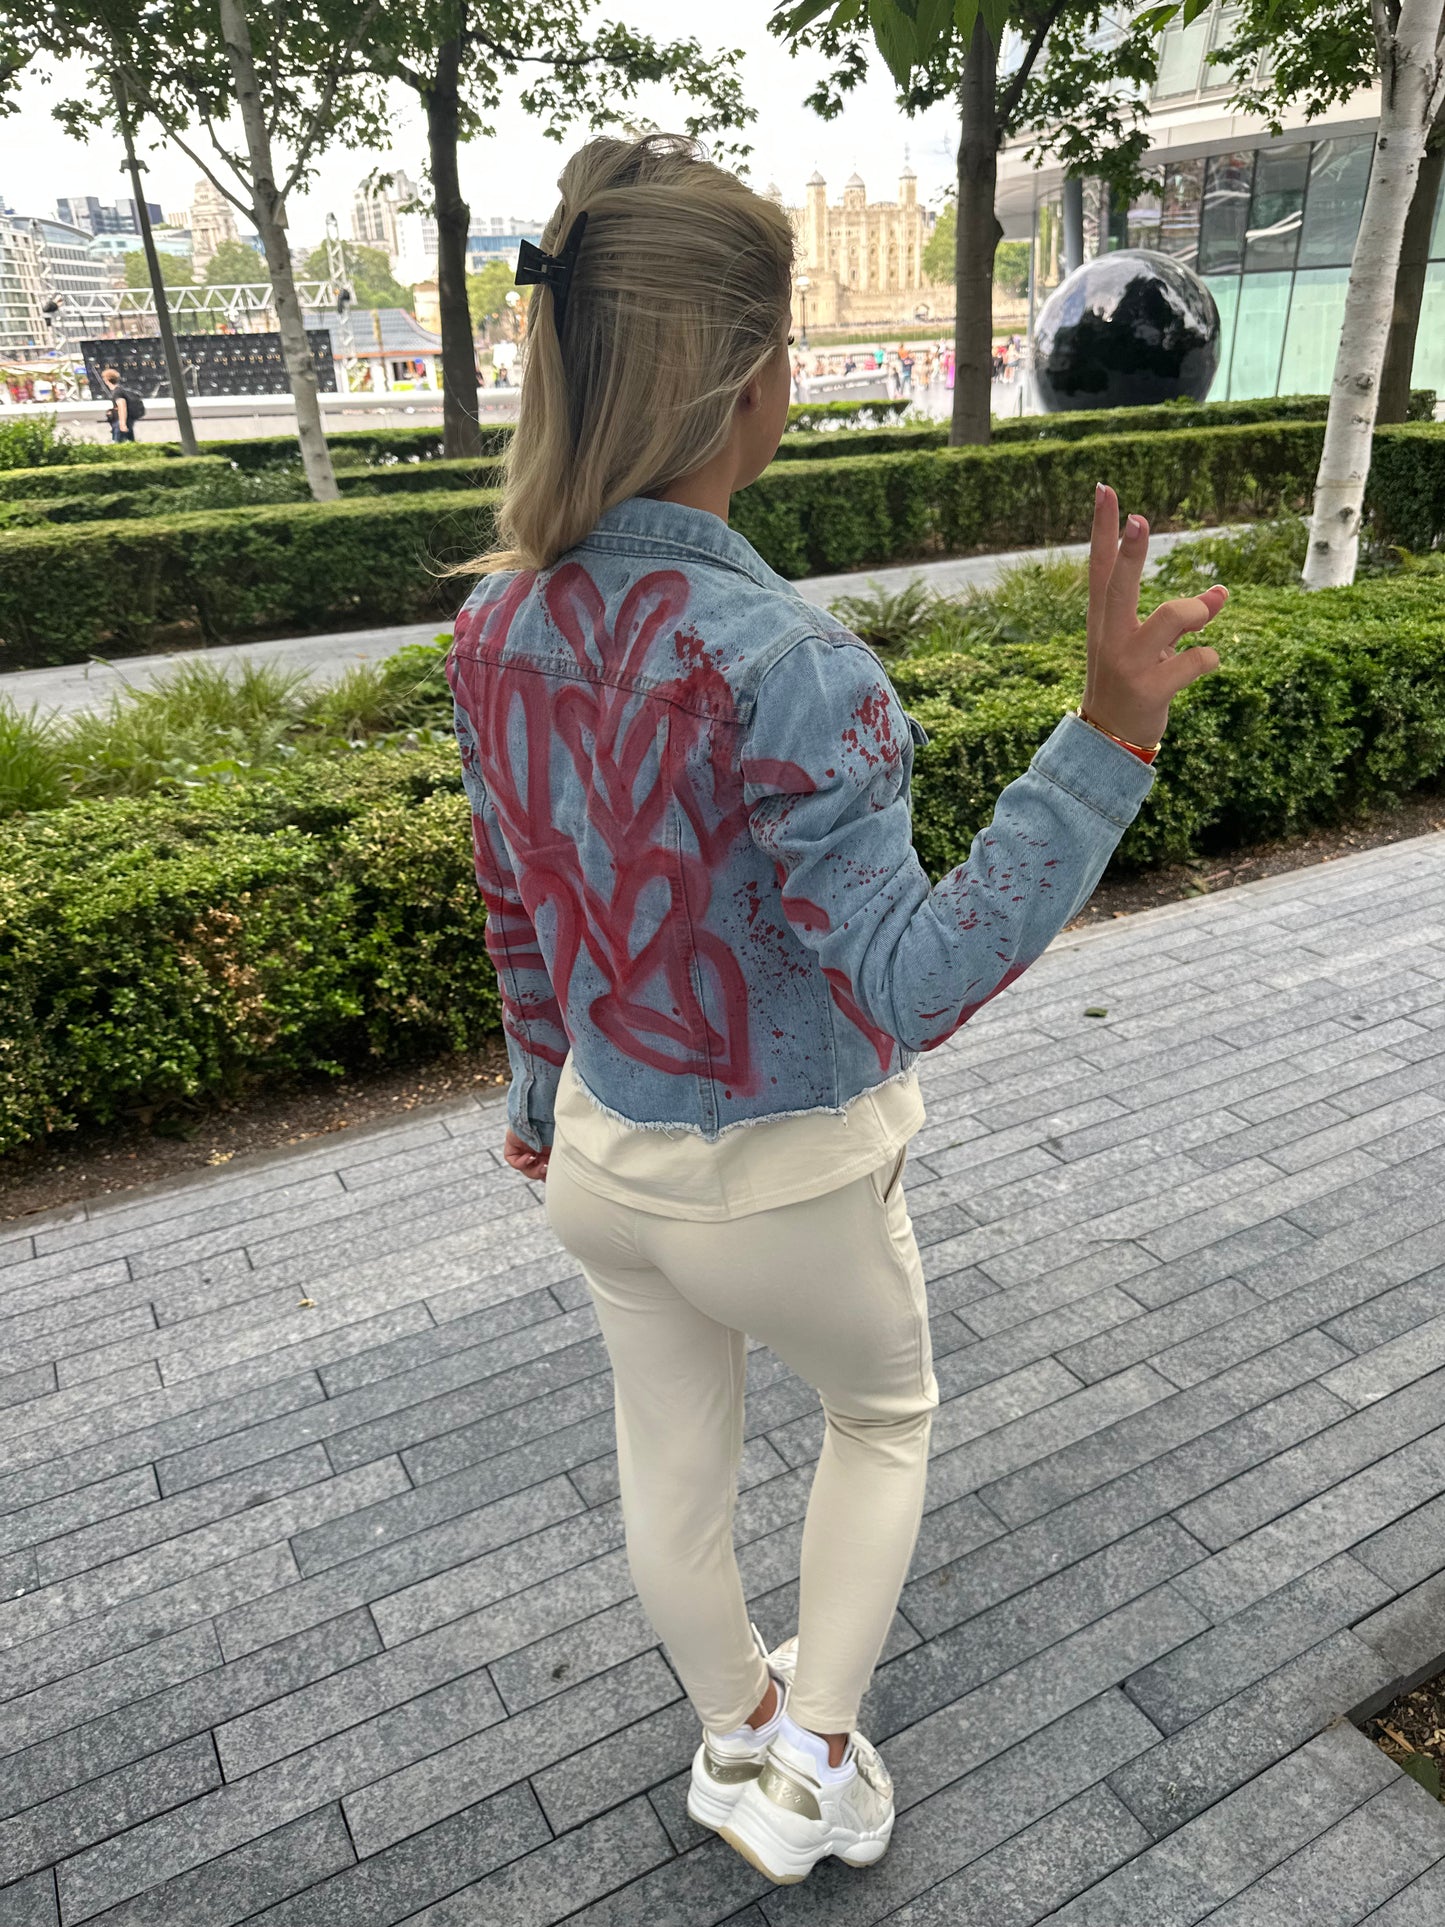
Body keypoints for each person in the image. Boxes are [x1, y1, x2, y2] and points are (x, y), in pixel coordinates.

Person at [445, 131, 1226, 1888]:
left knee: (670, 1460)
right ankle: (805, 1769)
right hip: (784, 1178)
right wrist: (1108, 733)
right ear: (751, 382)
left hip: (599, 1160)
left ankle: (736, 1724)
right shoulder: (789, 664)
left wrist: (533, 1099)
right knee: (883, 1416)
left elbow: (519, 906)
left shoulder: (493, 629)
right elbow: (912, 978)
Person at [99, 365, 144, 441]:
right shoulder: (120, 390)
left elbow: (122, 407)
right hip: (126, 421)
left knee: (119, 443)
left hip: (120, 422)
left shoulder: (117, 392)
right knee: (130, 443)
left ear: (107, 380)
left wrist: (122, 424)